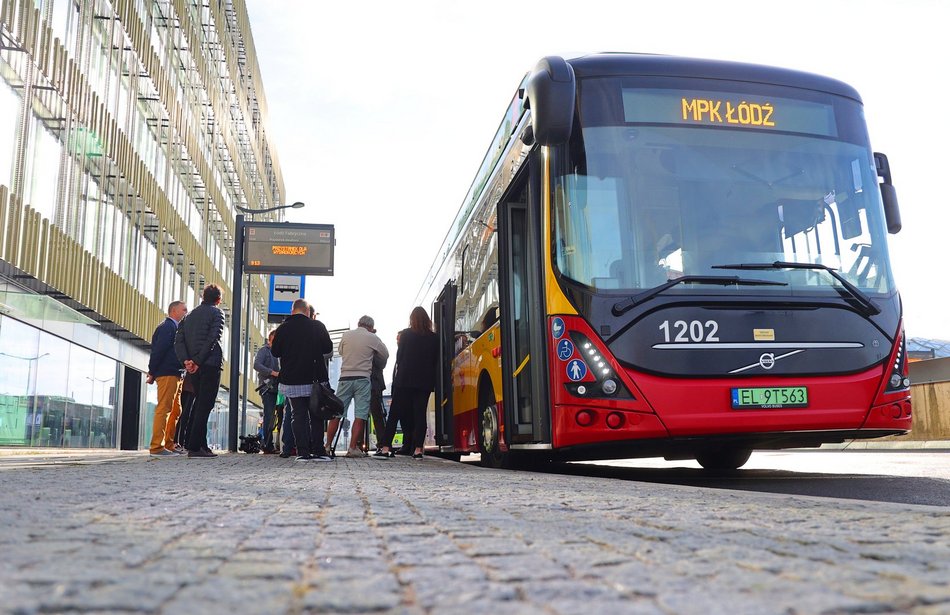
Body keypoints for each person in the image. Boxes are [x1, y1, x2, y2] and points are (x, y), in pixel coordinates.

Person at [271, 299, 334, 462]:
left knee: (297, 415)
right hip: (315, 379)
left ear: (293, 311)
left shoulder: (283, 328)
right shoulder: (317, 326)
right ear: (307, 312)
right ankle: (319, 451)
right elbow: (328, 348)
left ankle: (302, 451)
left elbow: (275, 352)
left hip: (292, 379)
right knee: (317, 416)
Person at [375, 307, 437, 460]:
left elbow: (399, 357)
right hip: (424, 382)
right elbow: (435, 360)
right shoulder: (434, 338)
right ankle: (417, 450)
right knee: (420, 414)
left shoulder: (406, 335)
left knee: (394, 413)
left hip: (405, 379)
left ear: (412, 319)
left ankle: (385, 447)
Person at [174, 284, 226, 458]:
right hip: (209, 364)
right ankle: (195, 447)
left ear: (203, 296)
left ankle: (200, 444)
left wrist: (187, 361)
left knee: (198, 404)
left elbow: (178, 341)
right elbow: (213, 338)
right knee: (205, 405)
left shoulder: (188, 317)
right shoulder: (217, 313)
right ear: (218, 299)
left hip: (194, 367)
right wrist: (197, 361)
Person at [326, 315, 389, 458]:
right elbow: (385, 354)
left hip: (345, 378)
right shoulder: (373, 338)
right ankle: (352, 448)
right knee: (360, 415)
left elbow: (341, 352)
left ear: (358, 323)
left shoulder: (346, 335)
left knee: (336, 413)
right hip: (362, 379)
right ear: (371, 327)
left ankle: (327, 446)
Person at [146, 300, 188, 457]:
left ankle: (169, 444)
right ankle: (156, 447)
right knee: (164, 409)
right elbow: (158, 351)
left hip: (176, 374)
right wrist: (152, 371)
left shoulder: (175, 328)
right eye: (184, 310)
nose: (186, 313)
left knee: (175, 410)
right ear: (174, 311)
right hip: (167, 373)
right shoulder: (167, 327)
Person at [253, 330, 280, 454]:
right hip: (267, 388)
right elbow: (257, 365)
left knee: (278, 417)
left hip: (279, 388)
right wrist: (272, 372)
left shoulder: (280, 352)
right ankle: (267, 444)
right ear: (270, 340)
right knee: (269, 415)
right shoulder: (264, 351)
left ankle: (275, 443)